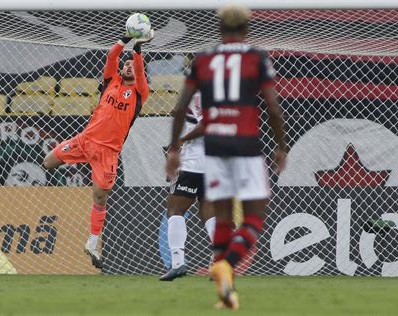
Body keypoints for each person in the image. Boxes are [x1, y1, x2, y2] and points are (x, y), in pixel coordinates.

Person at [166, 5, 286, 310]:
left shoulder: (203, 59)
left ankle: (223, 282)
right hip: (246, 146)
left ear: (219, 27)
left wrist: (174, 148)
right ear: (247, 28)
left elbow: (180, 109)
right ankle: (226, 264)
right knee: (253, 217)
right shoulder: (256, 57)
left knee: (218, 215)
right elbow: (273, 108)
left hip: (215, 149)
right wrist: (281, 146)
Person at [43, 29, 154, 269]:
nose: (127, 67)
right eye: (125, 66)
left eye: (131, 67)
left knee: (100, 197)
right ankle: (78, 173)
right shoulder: (110, 81)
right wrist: (126, 39)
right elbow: (111, 57)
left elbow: (139, 71)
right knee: (48, 161)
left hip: (107, 153)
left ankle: (93, 241)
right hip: (85, 141)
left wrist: (137, 49)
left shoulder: (139, 92)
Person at [159, 92, 216, 281]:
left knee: (175, 209)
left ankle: (177, 263)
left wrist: (180, 141)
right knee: (208, 211)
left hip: (194, 163)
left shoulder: (201, 94)